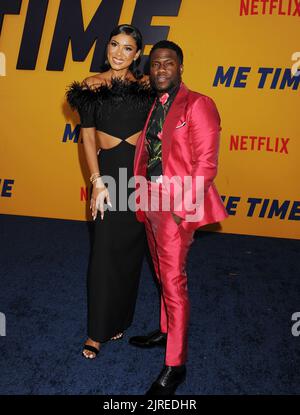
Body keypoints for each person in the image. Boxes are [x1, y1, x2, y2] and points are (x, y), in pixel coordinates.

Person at [129, 40, 228, 394]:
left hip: (175, 207)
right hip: (149, 200)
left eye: (168, 63)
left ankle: (176, 364)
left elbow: (206, 166)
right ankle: (166, 329)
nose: (160, 69)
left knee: (173, 282)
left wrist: (180, 209)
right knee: (158, 271)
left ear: (180, 68)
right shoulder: (155, 103)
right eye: (155, 64)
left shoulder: (199, 104)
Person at [66, 25, 154, 359]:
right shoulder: (91, 85)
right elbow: (87, 138)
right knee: (103, 252)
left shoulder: (146, 87)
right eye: (114, 45)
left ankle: (120, 319)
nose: (118, 52)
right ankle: (96, 332)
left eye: (127, 48)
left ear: (137, 55)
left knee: (131, 252)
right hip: (108, 177)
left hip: (138, 176)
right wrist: (96, 181)